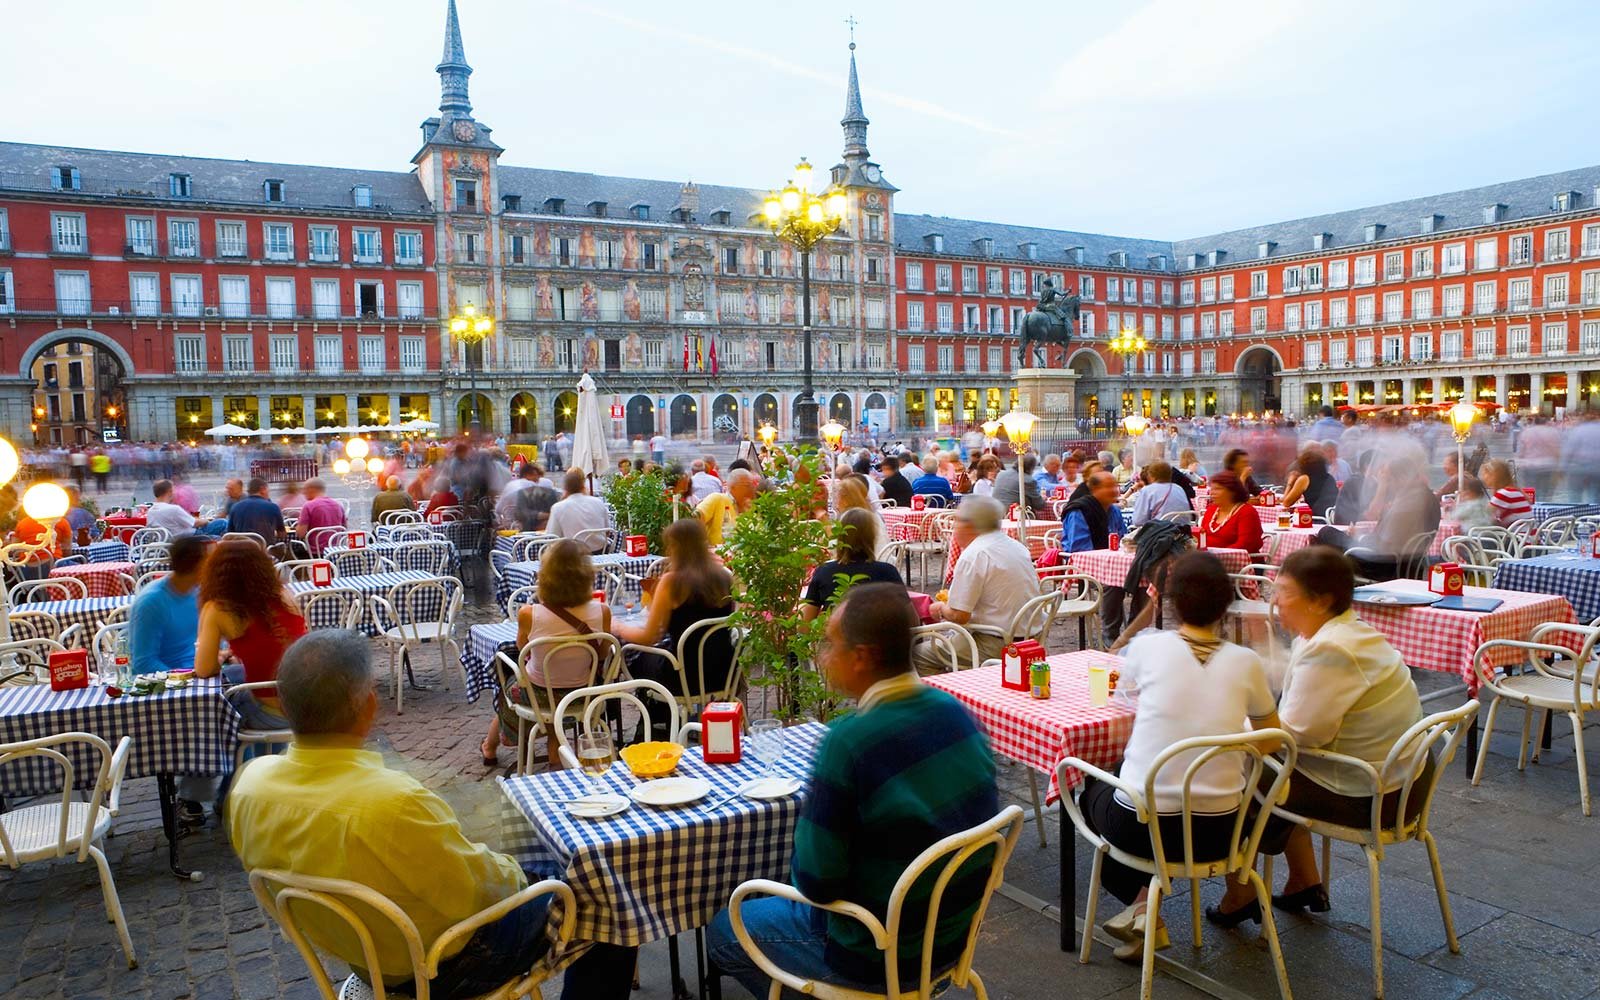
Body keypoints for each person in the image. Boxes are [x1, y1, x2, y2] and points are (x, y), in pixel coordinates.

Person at [226, 630, 633, 999]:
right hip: (439, 966)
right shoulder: (392, 801)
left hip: (358, 954)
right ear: (367, 703)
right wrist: (523, 873)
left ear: (283, 703)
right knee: (609, 896)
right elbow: (481, 893)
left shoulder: (248, 785)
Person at [705, 583, 999, 997]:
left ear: (861, 658)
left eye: (830, 645)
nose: (823, 656)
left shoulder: (850, 741)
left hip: (876, 951)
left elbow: (817, 885)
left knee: (723, 931)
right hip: (949, 937)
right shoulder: (956, 712)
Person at [1210, 547, 1425, 924]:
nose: (1274, 602)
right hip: (1400, 778)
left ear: (1321, 600)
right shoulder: (1342, 631)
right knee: (1266, 762)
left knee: (1233, 766)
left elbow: (1292, 737)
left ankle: (1240, 892)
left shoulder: (1332, 648)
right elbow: (1295, 691)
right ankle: (1305, 880)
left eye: (1284, 592)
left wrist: (1226, 727)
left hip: (1370, 795)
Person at [1080, 552, 1279, 959]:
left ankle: (1141, 907)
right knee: (1130, 778)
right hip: (1223, 831)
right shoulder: (1247, 662)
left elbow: (1125, 698)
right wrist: (1223, 740)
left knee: (1091, 791)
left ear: (1171, 603)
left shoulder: (1146, 647)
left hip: (1143, 829)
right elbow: (1273, 738)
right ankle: (1142, 909)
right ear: (1227, 604)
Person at [481, 539, 612, 767]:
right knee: (546, 688)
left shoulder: (529, 614)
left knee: (507, 685)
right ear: (587, 575)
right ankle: (556, 749)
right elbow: (601, 656)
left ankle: (491, 746)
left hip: (539, 694)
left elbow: (524, 650)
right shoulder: (602, 611)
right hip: (583, 692)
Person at [613, 518, 735, 731]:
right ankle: (661, 723)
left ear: (676, 547)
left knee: (632, 654)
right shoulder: (723, 577)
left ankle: (655, 727)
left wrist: (618, 628)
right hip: (723, 671)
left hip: (683, 677)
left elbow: (649, 637)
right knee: (660, 652)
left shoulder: (672, 581)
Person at [924, 497, 1038, 668]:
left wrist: (939, 608)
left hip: (995, 643)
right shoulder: (1016, 546)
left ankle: (950, 693)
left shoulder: (974, 554)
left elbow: (960, 616)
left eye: (957, 520)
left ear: (969, 525)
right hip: (1031, 636)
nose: (954, 527)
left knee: (919, 655)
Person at [801, 508, 904, 621]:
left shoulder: (824, 571)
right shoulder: (887, 572)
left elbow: (805, 626)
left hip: (837, 637)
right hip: (876, 637)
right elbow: (911, 620)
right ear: (872, 537)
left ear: (839, 537)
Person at [130, 535, 209, 676]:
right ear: (200, 566)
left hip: (203, 671)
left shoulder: (199, 591)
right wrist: (184, 676)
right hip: (173, 684)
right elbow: (143, 663)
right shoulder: (151, 602)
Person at [1061, 471, 1127, 553]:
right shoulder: (1079, 512)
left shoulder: (1115, 510)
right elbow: (1081, 550)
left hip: (1113, 559)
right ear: (1095, 489)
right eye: (1108, 487)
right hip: (1082, 562)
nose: (1114, 491)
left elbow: (1124, 540)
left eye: (1115, 486)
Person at [547, 468, 611, 552]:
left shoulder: (558, 508)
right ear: (583, 485)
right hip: (602, 553)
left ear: (565, 488)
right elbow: (607, 531)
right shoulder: (598, 503)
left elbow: (553, 537)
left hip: (573, 557)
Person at [1199, 471, 1264, 554]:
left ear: (1232, 491)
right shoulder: (1211, 510)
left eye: (1218, 489)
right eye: (1211, 489)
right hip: (1209, 561)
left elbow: (1246, 545)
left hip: (1241, 563)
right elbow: (1202, 538)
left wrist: (1217, 555)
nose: (1212, 493)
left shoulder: (1246, 512)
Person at [695, 467, 756, 546]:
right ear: (733, 487)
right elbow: (694, 519)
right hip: (718, 554)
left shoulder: (750, 507)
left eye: (752, 485)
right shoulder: (717, 499)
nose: (751, 489)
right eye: (747, 485)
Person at [1280, 447, 1341, 517]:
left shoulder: (1305, 479)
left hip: (1315, 518)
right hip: (1331, 517)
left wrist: (1290, 482)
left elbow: (1286, 503)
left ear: (1303, 465)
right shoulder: (1330, 477)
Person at [227, 478, 286, 545]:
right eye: (267, 490)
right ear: (262, 489)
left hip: (241, 551)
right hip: (265, 551)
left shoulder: (235, 507)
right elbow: (282, 534)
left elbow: (230, 534)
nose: (268, 493)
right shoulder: (273, 507)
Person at [295, 478, 346, 555]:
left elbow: (300, 534)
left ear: (311, 489)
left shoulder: (308, 506)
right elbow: (344, 528)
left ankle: (304, 567)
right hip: (335, 550)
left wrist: (298, 525)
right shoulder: (338, 505)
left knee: (291, 549)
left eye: (305, 489)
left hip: (315, 552)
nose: (303, 492)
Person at [1129, 461, 1188, 527]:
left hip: (1159, 532)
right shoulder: (1179, 489)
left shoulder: (1148, 490)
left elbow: (1138, 521)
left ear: (1152, 476)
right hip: (1183, 531)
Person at [1479, 459, 1532, 526]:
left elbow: (1482, 515)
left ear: (1494, 476)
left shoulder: (1503, 494)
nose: (1482, 477)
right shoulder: (1515, 491)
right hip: (1528, 534)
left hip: (1516, 535)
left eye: (1484, 474)